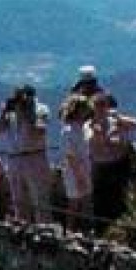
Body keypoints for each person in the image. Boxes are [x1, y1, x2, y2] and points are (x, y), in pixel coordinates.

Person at [0, 85, 52, 222]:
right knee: (18, 200)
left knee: (40, 198)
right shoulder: (10, 113)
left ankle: (44, 229)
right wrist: (3, 112)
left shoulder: (40, 110)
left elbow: (40, 130)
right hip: (14, 158)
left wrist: (27, 115)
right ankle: (22, 228)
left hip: (34, 156)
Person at [88, 93, 136, 222]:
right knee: (101, 197)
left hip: (118, 164)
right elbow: (93, 141)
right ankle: (102, 225)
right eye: (97, 106)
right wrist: (109, 140)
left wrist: (118, 118)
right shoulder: (89, 125)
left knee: (120, 195)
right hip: (100, 166)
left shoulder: (115, 121)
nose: (101, 109)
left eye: (103, 105)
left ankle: (121, 221)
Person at [56, 94, 94, 231]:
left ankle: (85, 230)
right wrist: (79, 177)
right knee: (74, 202)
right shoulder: (68, 130)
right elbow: (70, 155)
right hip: (74, 171)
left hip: (85, 167)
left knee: (85, 201)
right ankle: (70, 230)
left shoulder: (83, 128)